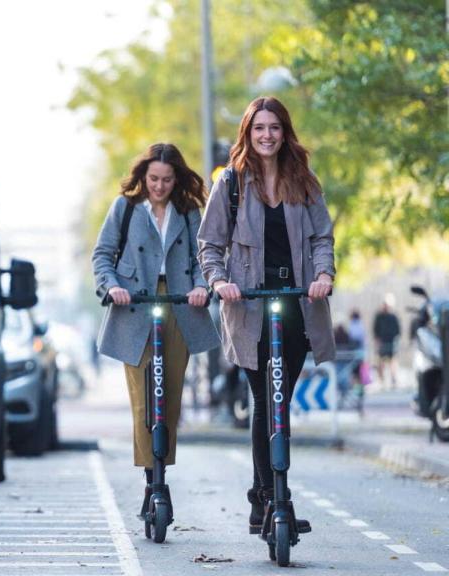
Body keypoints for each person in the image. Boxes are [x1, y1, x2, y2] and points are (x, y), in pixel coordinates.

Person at [197, 96, 335, 534]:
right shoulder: (231, 183)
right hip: (250, 306)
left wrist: (324, 272)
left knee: (282, 400)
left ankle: (265, 495)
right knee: (265, 401)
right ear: (248, 132)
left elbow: (321, 238)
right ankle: (272, 499)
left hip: (296, 302)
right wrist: (219, 282)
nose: (267, 135)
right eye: (259, 128)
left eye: (274, 127)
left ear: (284, 131)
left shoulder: (304, 180)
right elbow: (209, 243)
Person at [92, 142, 220, 519]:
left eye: (166, 180)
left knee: (170, 399)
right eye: (153, 179)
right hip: (135, 305)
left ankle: (161, 475)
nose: (159, 187)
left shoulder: (188, 211)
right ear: (143, 177)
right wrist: (112, 286)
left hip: (180, 305)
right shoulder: (126, 208)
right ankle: (153, 482)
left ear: (176, 179)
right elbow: (102, 255)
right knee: (144, 399)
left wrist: (202, 287)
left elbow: (202, 257)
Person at [373, 297, 401, 388]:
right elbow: (375, 329)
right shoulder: (379, 316)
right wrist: (377, 340)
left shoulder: (393, 317)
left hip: (391, 341)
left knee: (392, 361)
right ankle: (381, 379)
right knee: (380, 361)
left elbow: (398, 329)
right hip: (382, 342)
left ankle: (393, 379)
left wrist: (396, 338)